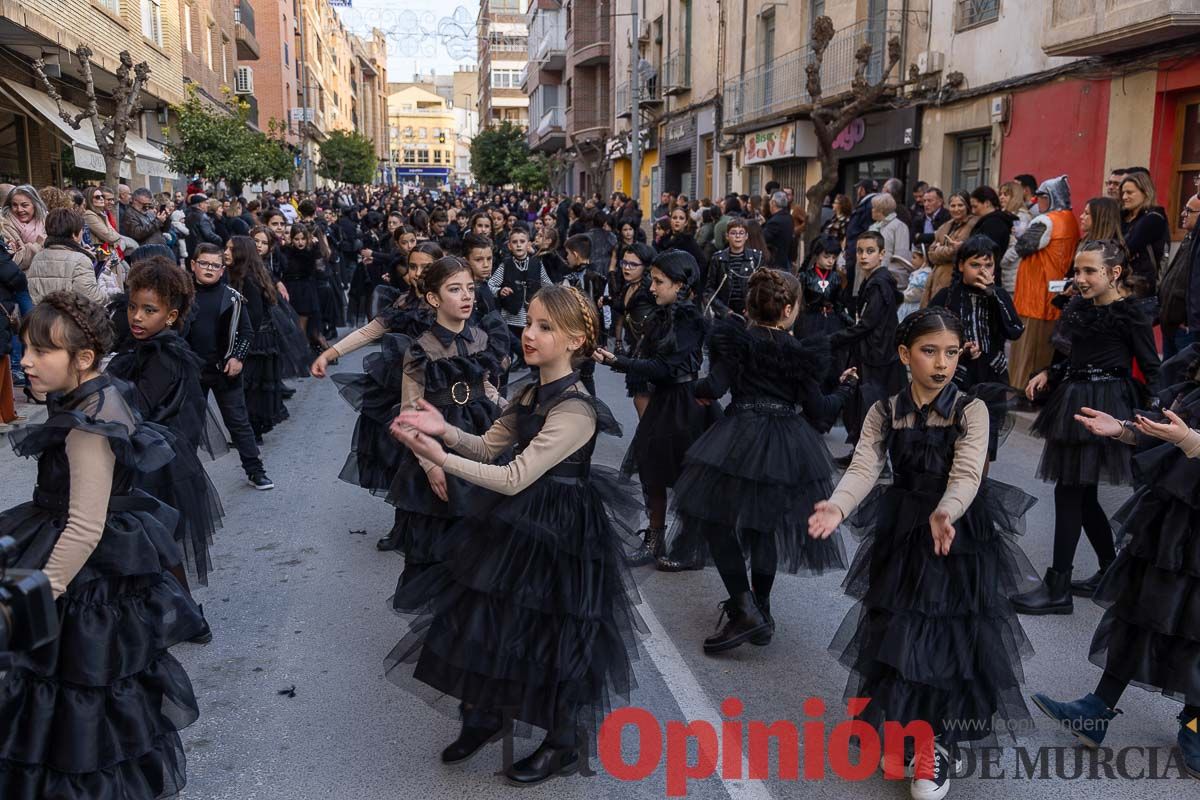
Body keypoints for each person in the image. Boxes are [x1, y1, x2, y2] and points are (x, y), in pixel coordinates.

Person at [386, 285, 643, 786]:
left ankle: (562, 743)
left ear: (575, 341)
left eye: (545, 327)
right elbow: (486, 447)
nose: (529, 334)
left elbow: (512, 475)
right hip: (519, 519)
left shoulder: (575, 410)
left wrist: (440, 459)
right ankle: (485, 713)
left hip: (562, 529)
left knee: (554, 634)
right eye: (529, 322)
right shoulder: (530, 391)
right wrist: (443, 429)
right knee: (492, 615)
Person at [810, 306, 1035, 800]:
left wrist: (948, 511)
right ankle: (912, 728)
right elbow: (865, 466)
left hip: (955, 530)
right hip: (905, 528)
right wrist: (839, 507)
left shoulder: (971, 408)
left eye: (951, 352)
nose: (941, 363)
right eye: (929, 351)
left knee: (948, 639)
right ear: (903, 354)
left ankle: (939, 744)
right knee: (899, 630)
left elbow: (969, 473)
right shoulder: (883, 409)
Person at [0, 291, 205, 799]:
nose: (25, 361)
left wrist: (38, 594)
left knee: (75, 696)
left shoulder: (88, 425)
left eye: (40, 351)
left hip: (79, 577)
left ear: (83, 358)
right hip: (84, 564)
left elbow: (85, 527)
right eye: (24, 348)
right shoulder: (100, 392)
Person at [1029, 356, 1200, 779]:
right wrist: (1122, 429)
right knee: (1142, 607)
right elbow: (1167, 433)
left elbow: (1186, 439)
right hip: (1175, 518)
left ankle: (1197, 725)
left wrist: (1192, 442)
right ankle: (1096, 709)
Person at [668, 269, 851, 652]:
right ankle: (759, 611)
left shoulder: (738, 341)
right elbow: (819, 411)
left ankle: (746, 607)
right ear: (788, 309)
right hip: (786, 441)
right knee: (763, 526)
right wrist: (847, 389)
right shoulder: (801, 353)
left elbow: (712, 387)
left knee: (717, 522)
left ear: (751, 307)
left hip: (739, 436)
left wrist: (699, 391)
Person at [1013, 240, 1160, 614]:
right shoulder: (1078, 309)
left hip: (1107, 404)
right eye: (1077, 271)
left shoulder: (1130, 314)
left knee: (1069, 491)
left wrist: (1159, 413)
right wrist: (1047, 372)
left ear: (1114, 273)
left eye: (1090, 271)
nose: (1080, 279)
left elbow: (1153, 366)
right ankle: (1109, 570)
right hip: (1073, 399)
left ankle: (1058, 588)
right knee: (1082, 492)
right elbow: (1070, 357)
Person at [106, 256, 224, 627]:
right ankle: (160, 615)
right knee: (150, 544)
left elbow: (137, 406)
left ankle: (188, 618)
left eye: (149, 310)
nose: (137, 317)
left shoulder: (165, 355)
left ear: (171, 316)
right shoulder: (139, 346)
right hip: (140, 455)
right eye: (132, 307)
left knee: (160, 543)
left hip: (158, 464)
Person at [380, 257, 508, 582]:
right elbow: (410, 410)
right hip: (437, 443)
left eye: (470, 288)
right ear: (434, 299)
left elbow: (486, 387)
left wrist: (514, 412)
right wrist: (430, 465)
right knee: (444, 537)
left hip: (482, 435)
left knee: (489, 531)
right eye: (455, 289)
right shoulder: (420, 349)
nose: (466, 296)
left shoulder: (481, 337)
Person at [593, 250, 721, 569]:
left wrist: (618, 361)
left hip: (685, 405)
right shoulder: (662, 314)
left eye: (659, 282)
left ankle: (689, 548)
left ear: (680, 285)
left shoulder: (689, 319)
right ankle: (654, 539)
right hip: (664, 402)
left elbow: (665, 367)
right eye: (652, 280)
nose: (652, 287)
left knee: (683, 479)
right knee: (652, 473)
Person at [184, 243, 275, 490]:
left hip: (225, 370)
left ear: (222, 270)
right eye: (204, 263)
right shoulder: (183, 295)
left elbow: (246, 332)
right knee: (189, 424)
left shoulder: (232, 297)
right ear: (193, 265)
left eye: (215, 265)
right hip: (192, 371)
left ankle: (255, 471)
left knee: (238, 422)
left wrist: (238, 358)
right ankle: (184, 477)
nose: (209, 269)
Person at [831, 231, 905, 454]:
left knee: (870, 406)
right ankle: (860, 454)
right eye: (860, 251)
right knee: (863, 405)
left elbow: (867, 324)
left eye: (870, 251)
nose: (864, 256)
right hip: (874, 351)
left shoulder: (879, 283)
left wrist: (834, 339)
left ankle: (871, 460)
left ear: (882, 254)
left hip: (876, 354)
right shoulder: (875, 280)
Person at [1009, 175, 1080, 394]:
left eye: (1042, 197)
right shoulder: (1071, 220)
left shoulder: (1045, 221)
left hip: (1034, 294)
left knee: (1029, 349)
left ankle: (1024, 389)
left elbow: (1023, 247)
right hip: (1055, 292)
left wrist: (1020, 234)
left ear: (1051, 198)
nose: (1037, 202)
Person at [928, 235, 1025, 392]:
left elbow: (1015, 330)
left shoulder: (999, 295)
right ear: (961, 265)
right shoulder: (946, 296)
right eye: (975, 265)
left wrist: (993, 294)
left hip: (992, 375)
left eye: (988, 265)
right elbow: (927, 333)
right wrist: (959, 348)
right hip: (955, 375)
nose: (982, 271)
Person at [225, 235, 288, 441]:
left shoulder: (248, 280)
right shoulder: (242, 275)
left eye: (230, 249)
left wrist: (240, 344)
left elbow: (252, 316)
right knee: (250, 387)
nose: (225, 252)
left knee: (250, 387)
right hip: (257, 337)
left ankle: (251, 431)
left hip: (257, 339)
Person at [488, 223, 552, 366]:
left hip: (531, 317)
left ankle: (534, 377)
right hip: (510, 317)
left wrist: (542, 296)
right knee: (508, 349)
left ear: (528, 244)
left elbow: (548, 285)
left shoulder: (536, 264)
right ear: (509, 246)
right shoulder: (506, 264)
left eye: (522, 242)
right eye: (514, 242)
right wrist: (499, 291)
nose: (518, 245)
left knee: (532, 350)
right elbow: (490, 284)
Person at [27, 207, 106, 305]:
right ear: (74, 234)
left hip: (43, 316)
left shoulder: (38, 257)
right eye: (81, 230)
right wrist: (107, 293)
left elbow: (33, 294)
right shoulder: (80, 260)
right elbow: (92, 297)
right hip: (69, 317)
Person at [922, 191, 977, 306]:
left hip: (953, 279)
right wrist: (943, 250)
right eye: (953, 205)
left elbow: (954, 252)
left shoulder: (973, 225)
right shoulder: (946, 225)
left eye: (960, 205)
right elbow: (930, 253)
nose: (956, 209)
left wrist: (939, 249)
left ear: (967, 206)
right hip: (935, 279)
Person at [1119, 171, 1169, 294]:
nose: (1124, 197)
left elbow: (1128, 249)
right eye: (1123, 193)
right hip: (1119, 282)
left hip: (1141, 287)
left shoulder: (1154, 218)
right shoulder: (1122, 217)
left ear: (1146, 192)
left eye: (1129, 192)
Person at [704, 218, 764, 318]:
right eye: (733, 233)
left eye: (741, 233)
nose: (737, 236)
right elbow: (709, 290)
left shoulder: (756, 258)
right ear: (727, 236)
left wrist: (752, 308)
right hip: (725, 313)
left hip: (749, 313)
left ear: (746, 236)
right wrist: (723, 310)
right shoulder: (718, 259)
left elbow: (762, 288)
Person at [843, 180, 878, 295]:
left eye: (859, 189)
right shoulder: (867, 204)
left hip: (856, 252)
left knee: (853, 288)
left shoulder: (868, 205)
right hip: (855, 250)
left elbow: (864, 231)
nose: (857, 192)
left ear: (862, 190)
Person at [967, 186, 1012, 273]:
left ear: (987, 203)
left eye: (975, 206)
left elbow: (987, 252)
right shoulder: (989, 221)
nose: (973, 211)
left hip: (985, 273)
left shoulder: (994, 223)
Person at [762, 190, 795, 270]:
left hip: (776, 262)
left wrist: (761, 226)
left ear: (773, 203)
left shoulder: (775, 221)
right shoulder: (788, 217)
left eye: (770, 201)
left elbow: (763, 238)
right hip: (785, 259)